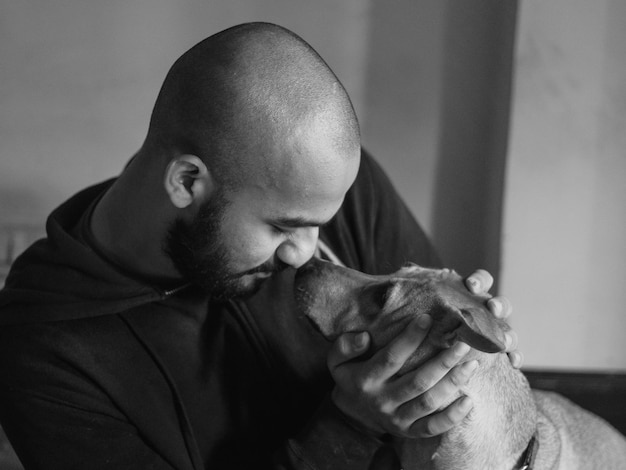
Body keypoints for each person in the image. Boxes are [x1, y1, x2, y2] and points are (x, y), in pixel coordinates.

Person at [0, 22, 519, 469]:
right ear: (185, 182)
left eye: (320, 224)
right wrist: (348, 428)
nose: (307, 253)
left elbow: (449, 375)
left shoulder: (327, 191)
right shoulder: (40, 351)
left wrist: (478, 349)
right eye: (282, 227)